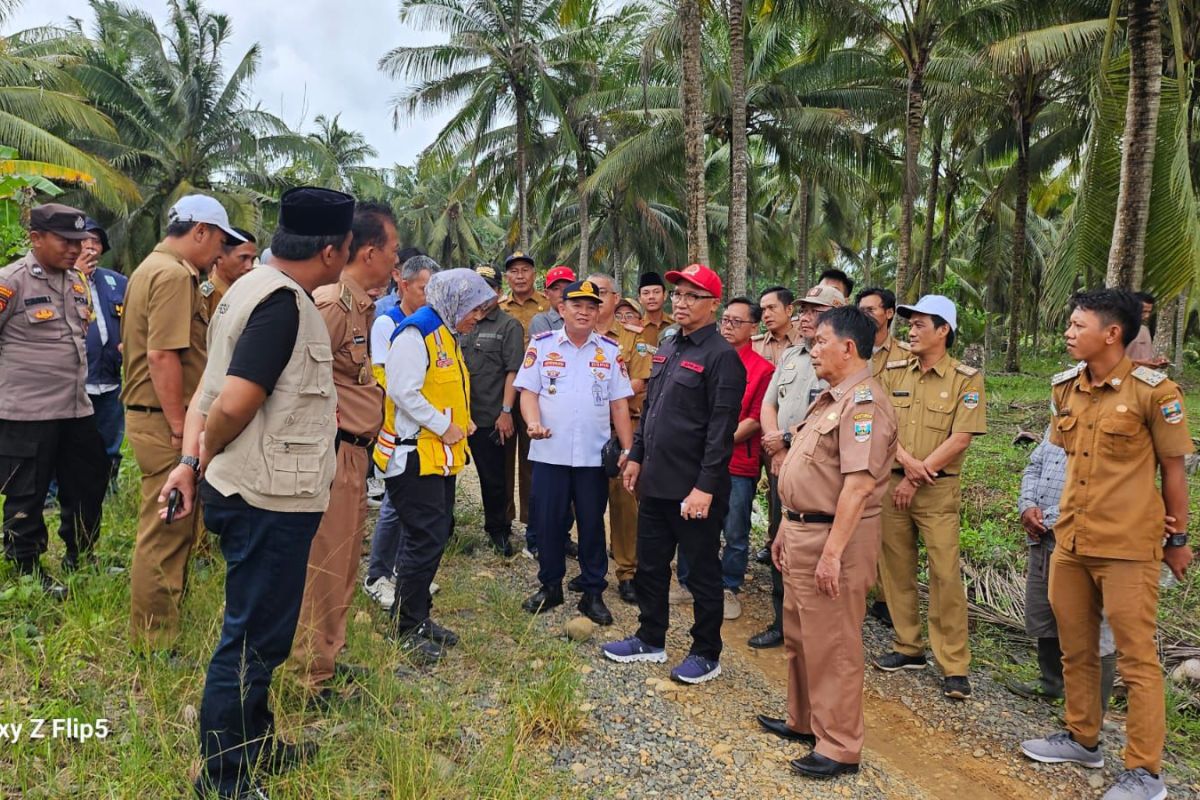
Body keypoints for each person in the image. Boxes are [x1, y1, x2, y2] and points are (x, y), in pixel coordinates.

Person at [158, 186, 356, 799]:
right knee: (250, 641)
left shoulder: (246, 288)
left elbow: (205, 394)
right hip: (267, 496)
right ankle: (224, 779)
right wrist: (205, 451)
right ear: (330, 252)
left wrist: (190, 461)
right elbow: (235, 400)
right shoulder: (283, 304)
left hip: (255, 488)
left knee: (262, 633)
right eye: (348, 247)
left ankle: (258, 743)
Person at [1020, 289, 1193, 800]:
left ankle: (1146, 772)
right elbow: (1066, 458)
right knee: (1076, 647)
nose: (1069, 333)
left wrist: (1178, 537)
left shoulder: (1156, 394)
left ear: (1111, 333)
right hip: (1070, 539)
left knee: (1138, 660)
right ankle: (1082, 737)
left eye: (1077, 325)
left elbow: (1174, 470)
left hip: (1128, 546)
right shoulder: (1066, 389)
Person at [755, 305, 897, 780]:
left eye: (820, 342)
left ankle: (839, 745)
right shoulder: (831, 399)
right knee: (799, 635)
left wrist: (833, 554)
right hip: (801, 530)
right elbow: (806, 470)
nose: (812, 348)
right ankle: (804, 721)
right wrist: (782, 528)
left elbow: (857, 487)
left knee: (832, 644)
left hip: (832, 538)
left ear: (848, 347)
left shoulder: (864, 405)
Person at [602, 264, 745, 685]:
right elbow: (651, 413)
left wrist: (703, 488)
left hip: (694, 490)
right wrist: (636, 459)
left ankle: (706, 652)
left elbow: (721, 433)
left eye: (692, 296)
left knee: (700, 572)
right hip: (656, 482)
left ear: (713, 305)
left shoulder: (721, 357)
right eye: (678, 294)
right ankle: (650, 637)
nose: (681, 302)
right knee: (650, 565)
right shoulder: (667, 347)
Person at [124, 195, 246, 650]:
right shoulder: (174, 275)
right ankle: (155, 642)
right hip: (162, 421)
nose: (219, 252)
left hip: (153, 416)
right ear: (199, 231)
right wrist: (181, 426)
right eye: (217, 240)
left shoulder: (153, 268)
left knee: (175, 527)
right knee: (167, 529)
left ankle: (163, 622)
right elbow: (162, 355)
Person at [288, 202, 393, 709]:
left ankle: (326, 653)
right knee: (324, 567)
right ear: (369, 252)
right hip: (329, 454)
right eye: (393, 250)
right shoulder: (331, 304)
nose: (396, 261)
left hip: (351, 454)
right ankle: (310, 676)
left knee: (343, 563)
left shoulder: (360, 307)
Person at [383, 268, 497, 663]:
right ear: (455, 302)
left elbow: (445, 386)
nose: (476, 318)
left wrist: (459, 419)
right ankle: (406, 626)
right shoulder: (418, 333)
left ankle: (418, 616)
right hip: (414, 457)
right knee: (423, 539)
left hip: (438, 458)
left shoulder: (446, 332)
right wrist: (443, 424)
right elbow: (402, 390)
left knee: (433, 538)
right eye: (474, 310)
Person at [876, 295, 986, 701]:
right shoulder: (893, 371)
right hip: (894, 482)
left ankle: (954, 665)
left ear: (944, 331)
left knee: (945, 575)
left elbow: (961, 437)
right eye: (911, 323)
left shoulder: (965, 379)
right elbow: (882, 424)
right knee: (896, 567)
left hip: (937, 490)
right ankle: (908, 646)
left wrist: (918, 475)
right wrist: (906, 463)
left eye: (921, 324)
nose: (912, 330)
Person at [0, 203, 108, 597]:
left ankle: (82, 556)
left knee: (88, 484)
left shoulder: (76, 282)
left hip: (77, 408)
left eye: (79, 241)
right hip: (26, 413)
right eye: (66, 241)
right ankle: (26, 568)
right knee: (26, 493)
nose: (75, 248)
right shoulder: (10, 283)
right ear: (36, 238)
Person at [517, 279, 635, 625]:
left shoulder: (610, 352)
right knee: (549, 524)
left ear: (598, 312)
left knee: (591, 525)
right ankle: (550, 586)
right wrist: (533, 423)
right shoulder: (541, 346)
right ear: (561, 309)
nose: (584, 312)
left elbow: (619, 405)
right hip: (549, 452)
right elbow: (527, 392)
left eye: (591, 306)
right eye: (577, 306)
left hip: (591, 457)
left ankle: (593, 592)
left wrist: (627, 448)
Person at [745, 285, 844, 648]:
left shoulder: (843, 358)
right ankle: (782, 621)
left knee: (815, 546)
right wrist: (775, 445)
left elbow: (833, 412)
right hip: (782, 465)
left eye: (814, 311)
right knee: (779, 540)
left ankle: (815, 628)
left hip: (819, 472)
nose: (805, 316)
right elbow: (768, 405)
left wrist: (786, 440)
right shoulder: (790, 356)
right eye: (802, 310)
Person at [676, 297, 774, 620]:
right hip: (699, 458)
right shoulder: (704, 355)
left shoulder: (763, 369)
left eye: (736, 322)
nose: (728, 327)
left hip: (737, 462)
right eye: (726, 320)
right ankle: (687, 580)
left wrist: (716, 442)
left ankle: (729, 585)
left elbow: (757, 418)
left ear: (753, 328)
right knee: (693, 520)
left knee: (735, 529)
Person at [1008, 428, 1117, 706]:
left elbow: (1101, 487)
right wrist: (1027, 506)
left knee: (1089, 621)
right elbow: (1035, 465)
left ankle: (1088, 712)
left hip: (1082, 537)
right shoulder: (1059, 421)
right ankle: (1051, 683)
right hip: (1043, 533)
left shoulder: (1109, 428)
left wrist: (1048, 517)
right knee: (1044, 607)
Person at [363, 254, 436, 609]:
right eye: (424, 288)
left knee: (414, 509)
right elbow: (383, 377)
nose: (429, 295)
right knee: (394, 504)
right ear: (403, 284)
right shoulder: (387, 322)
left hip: (422, 429)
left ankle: (404, 573)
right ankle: (377, 575)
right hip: (396, 426)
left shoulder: (432, 325)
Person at [590, 273, 651, 604]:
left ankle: (627, 572)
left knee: (625, 505)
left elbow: (639, 382)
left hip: (621, 430)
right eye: (589, 293)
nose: (595, 299)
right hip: (585, 432)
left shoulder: (633, 338)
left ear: (615, 298)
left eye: (600, 292)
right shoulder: (574, 336)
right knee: (585, 504)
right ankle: (592, 571)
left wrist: (602, 393)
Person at [461, 264, 525, 556]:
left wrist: (506, 411)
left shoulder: (508, 326)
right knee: (445, 476)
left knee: (493, 479)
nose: (481, 296)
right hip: (458, 417)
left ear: (499, 293)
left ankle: (498, 530)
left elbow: (513, 371)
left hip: (489, 416)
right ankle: (445, 529)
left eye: (488, 289)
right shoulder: (460, 322)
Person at [856, 286, 910, 627]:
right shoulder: (852, 350)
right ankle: (858, 595)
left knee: (889, 538)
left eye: (872, 309)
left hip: (890, 458)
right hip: (855, 454)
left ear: (889, 313)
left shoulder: (905, 355)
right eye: (860, 308)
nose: (865, 314)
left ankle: (887, 602)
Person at [498, 251, 550, 556]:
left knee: (532, 462)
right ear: (507, 277)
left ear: (534, 274)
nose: (519, 275)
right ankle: (503, 524)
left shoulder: (546, 306)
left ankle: (534, 526)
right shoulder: (499, 307)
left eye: (525, 270)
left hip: (538, 393)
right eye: (513, 271)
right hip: (506, 391)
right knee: (503, 461)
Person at [78, 219, 128, 495]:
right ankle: (54, 495)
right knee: (67, 441)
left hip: (109, 378)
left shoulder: (116, 282)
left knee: (110, 439)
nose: (90, 246)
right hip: (74, 380)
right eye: (84, 240)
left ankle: (109, 488)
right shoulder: (59, 279)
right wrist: (76, 276)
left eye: (96, 241)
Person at [200, 228, 258, 318]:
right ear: (219, 257)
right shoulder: (204, 298)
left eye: (252, 259)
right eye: (243, 258)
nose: (249, 266)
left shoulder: (251, 296)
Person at [856, 287, 910, 378]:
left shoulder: (907, 354)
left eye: (870, 310)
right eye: (861, 311)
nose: (864, 315)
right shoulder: (850, 352)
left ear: (889, 313)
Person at [752, 286, 800, 367]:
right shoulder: (755, 346)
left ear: (789, 310)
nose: (766, 315)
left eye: (772, 308)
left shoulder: (806, 342)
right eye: (763, 310)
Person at [374, 246, 425, 319]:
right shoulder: (379, 310)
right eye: (413, 276)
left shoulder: (430, 307)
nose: (417, 281)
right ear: (396, 275)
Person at [528, 265, 576, 335]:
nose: (562, 293)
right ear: (547, 294)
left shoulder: (584, 317)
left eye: (568, 287)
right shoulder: (541, 321)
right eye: (556, 288)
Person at [1126, 291, 1168, 368]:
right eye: (1143, 312)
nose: (1147, 316)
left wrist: (1156, 361)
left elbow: (1146, 358)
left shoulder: (1144, 330)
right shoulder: (1118, 330)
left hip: (1143, 377)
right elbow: (1110, 361)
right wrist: (1141, 363)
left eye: (1149, 312)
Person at [637, 271, 674, 348]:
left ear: (665, 295)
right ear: (639, 298)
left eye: (656, 292)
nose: (651, 297)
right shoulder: (636, 328)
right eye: (646, 293)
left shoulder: (675, 325)